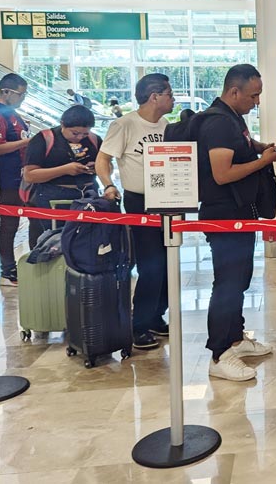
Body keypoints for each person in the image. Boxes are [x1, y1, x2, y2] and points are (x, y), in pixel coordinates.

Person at [196, 64, 276, 381]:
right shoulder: (219, 123)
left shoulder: (231, 119)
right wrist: (263, 161)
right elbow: (223, 174)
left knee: (240, 279)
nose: (257, 101)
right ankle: (219, 354)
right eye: (253, 95)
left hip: (239, 212)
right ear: (234, 91)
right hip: (223, 215)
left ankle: (235, 340)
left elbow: (238, 149)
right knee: (228, 285)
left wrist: (258, 148)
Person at [96, 74, 174, 351]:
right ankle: (138, 324)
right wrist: (108, 185)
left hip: (168, 200)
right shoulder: (124, 124)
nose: (173, 99)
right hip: (139, 201)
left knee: (167, 262)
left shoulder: (166, 126)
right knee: (150, 264)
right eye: (169, 94)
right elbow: (103, 159)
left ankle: (156, 315)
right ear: (155, 96)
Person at [22, 105, 102, 250]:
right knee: (53, 243)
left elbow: (108, 168)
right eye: (75, 133)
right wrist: (64, 170)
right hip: (52, 195)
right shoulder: (43, 139)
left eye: (84, 134)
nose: (79, 138)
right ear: (63, 124)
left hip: (88, 194)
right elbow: (30, 175)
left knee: (87, 243)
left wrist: (96, 167)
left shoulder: (94, 140)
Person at [0, 74, 31, 286]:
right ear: (6, 92)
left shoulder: (10, 113)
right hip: (7, 178)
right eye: (21, 94)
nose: (23, 98)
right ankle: (8, 271)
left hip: (21, 175)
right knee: (9, 223)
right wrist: (27, 142)